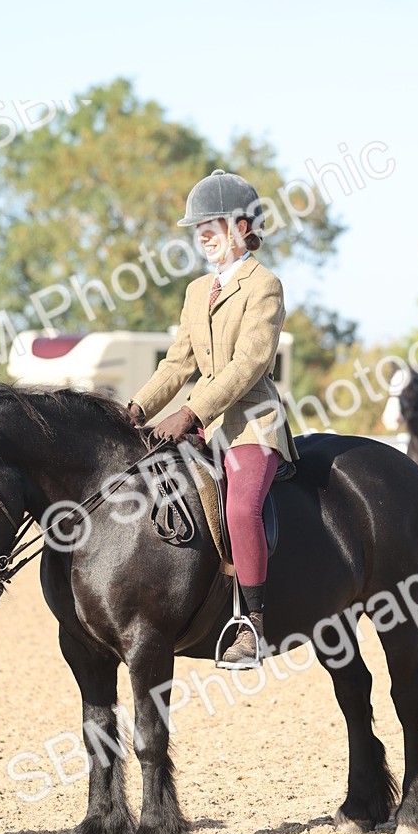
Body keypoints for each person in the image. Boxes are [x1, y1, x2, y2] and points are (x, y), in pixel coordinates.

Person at [127, 168, 298, 665]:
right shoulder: (196, 290)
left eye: (213, 224)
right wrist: (135, 409)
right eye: (198, 227)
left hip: (251, 424)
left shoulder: (264, 285)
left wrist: (190, 412)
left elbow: (250, 364)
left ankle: (254, 624)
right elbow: (178, 363)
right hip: (200, 427)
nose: (203, 234)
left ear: (242, 227)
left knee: (241, 509)